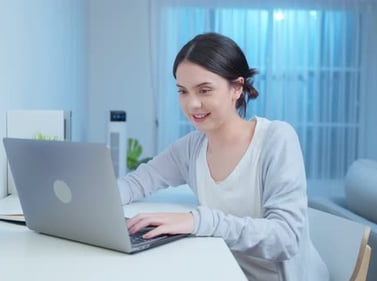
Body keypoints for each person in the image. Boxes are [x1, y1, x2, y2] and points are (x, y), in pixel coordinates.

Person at [118, 32, 329, 281]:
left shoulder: (276, 139)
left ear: (236, 88)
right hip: (225, 271)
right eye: (183, 91)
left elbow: (285, 238)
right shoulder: (190, 148)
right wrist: (95, 203)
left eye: (204, 90)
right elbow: (136, 182)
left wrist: (199, 221)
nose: (192, 104)